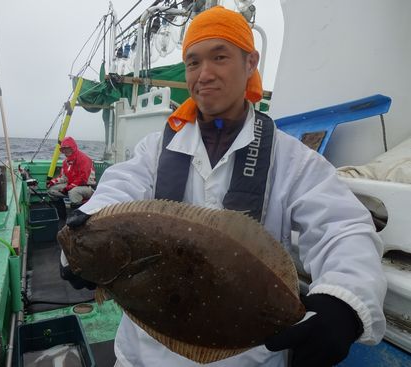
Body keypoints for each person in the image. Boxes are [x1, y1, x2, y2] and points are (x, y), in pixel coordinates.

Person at [63, 6, 387, 367]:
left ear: (250, 62)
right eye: (193, 62)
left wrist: (343, 302)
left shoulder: (292, 159)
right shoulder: (155, 150)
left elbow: (343, 228)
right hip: (145, 356)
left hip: (248, 356)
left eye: (220, 57)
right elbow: (119, 190)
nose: (204, 74)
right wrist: (86, 224)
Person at [46, 136, 96, 215]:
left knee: (73, 192)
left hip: (88, 187)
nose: (65, 151)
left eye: (67, 148)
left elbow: (83, 179)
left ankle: (80, 216)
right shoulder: (65, 162)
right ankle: (62, 214)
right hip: (72, 185)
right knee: (52, 190)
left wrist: (68, 188)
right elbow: (63, 177)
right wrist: (53, 182)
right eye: (63, 149)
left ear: (73, 147)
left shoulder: (84, 159)